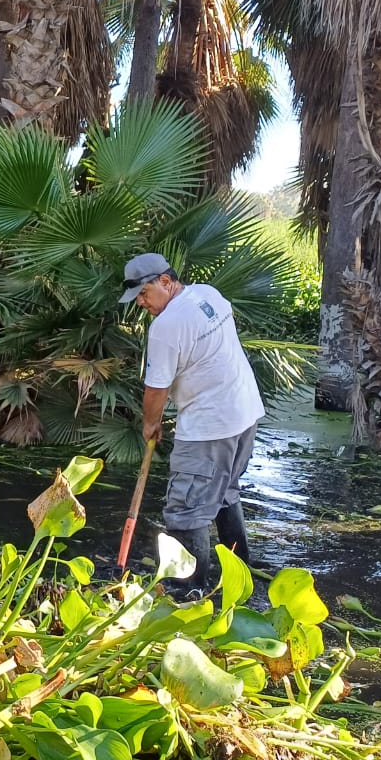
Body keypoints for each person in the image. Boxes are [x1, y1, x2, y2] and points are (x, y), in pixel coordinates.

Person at [121, 252, 264, 596]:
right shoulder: (207, 293)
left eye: (144, 293)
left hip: (209, 426)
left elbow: (157, 388)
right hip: (245, 413)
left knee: (185, 510)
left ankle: (187, 593)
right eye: (136, 297)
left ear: (166, 281)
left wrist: (150, 424)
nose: (140, 303)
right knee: (224, 492)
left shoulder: (165, 327)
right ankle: (239, 578)